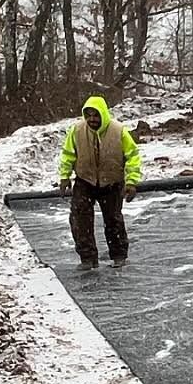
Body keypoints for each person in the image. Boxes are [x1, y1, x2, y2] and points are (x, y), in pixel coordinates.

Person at [57, 96, 142, 269]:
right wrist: (65, 177)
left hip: (112, 182)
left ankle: (119, 256)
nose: (92, 119)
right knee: (79, 220)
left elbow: (132, 156)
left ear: (103, 114)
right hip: (84, 180)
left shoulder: (119, 131)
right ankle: (87, 258)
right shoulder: (77, 131)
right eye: (88, 115)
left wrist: (132, 182)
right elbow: (68, 154)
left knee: (113, 220)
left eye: (95, 115)